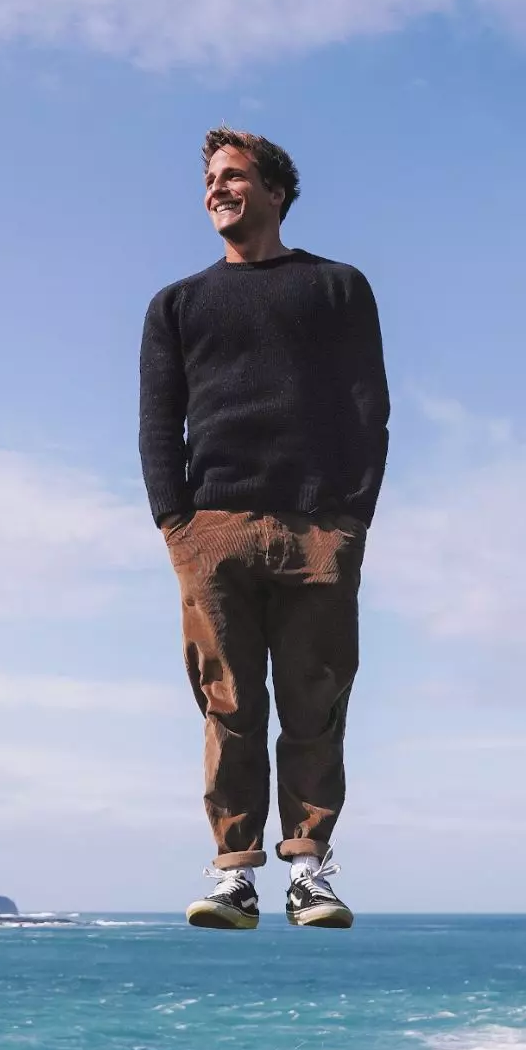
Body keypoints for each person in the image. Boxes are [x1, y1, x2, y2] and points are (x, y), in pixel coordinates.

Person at [139, 128, 390, 929]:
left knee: (315, 700)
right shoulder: (176, 304)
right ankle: (234, 874)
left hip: (319, 527)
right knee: (229, 703)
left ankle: (309, 870)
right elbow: (157, 424)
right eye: (210, 178)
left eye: (235, 176)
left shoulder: (337, 287)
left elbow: (369, 409)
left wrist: (350, 519)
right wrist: (177, 525)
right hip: (211, 529)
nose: (217, 189)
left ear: (276, 191)